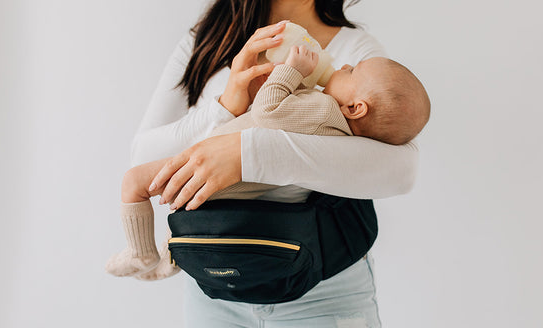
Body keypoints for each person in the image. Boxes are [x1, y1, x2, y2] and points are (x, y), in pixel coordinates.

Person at [123, 1, 420, 326]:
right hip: (215, 285)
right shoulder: (209, 37)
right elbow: (143, 159)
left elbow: (401, 171)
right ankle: (156, 253)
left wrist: (245, 154)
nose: (345, 68)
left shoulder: (356, 50)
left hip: (323, 291)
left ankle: (154, 253)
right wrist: (226, 107)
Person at [106, 43, 430, 278]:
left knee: (133, 182)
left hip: (219, 176)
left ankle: (140, 253)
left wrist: (291, 71)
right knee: (191, 212)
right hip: (241, 194)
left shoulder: (324, 110)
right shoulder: (333, 123)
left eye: (353, 71)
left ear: (355, 108)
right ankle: (165, 258)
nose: (344, 66)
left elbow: (268, 112)